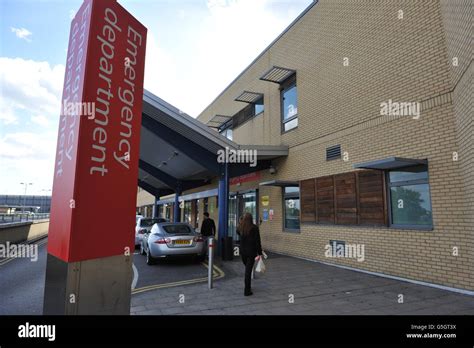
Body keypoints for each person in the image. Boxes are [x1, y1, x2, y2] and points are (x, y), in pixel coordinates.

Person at [237, 212, 263, 296]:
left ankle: (247, 288)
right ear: (251, 219)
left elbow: (237, 231)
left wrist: (240, 221)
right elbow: (257, 241)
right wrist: (260, 252)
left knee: (247, 269)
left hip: (243, 252)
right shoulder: (254, 228)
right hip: (251, 252)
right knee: (248, 271)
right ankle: (247, 290)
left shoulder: (241, 227)